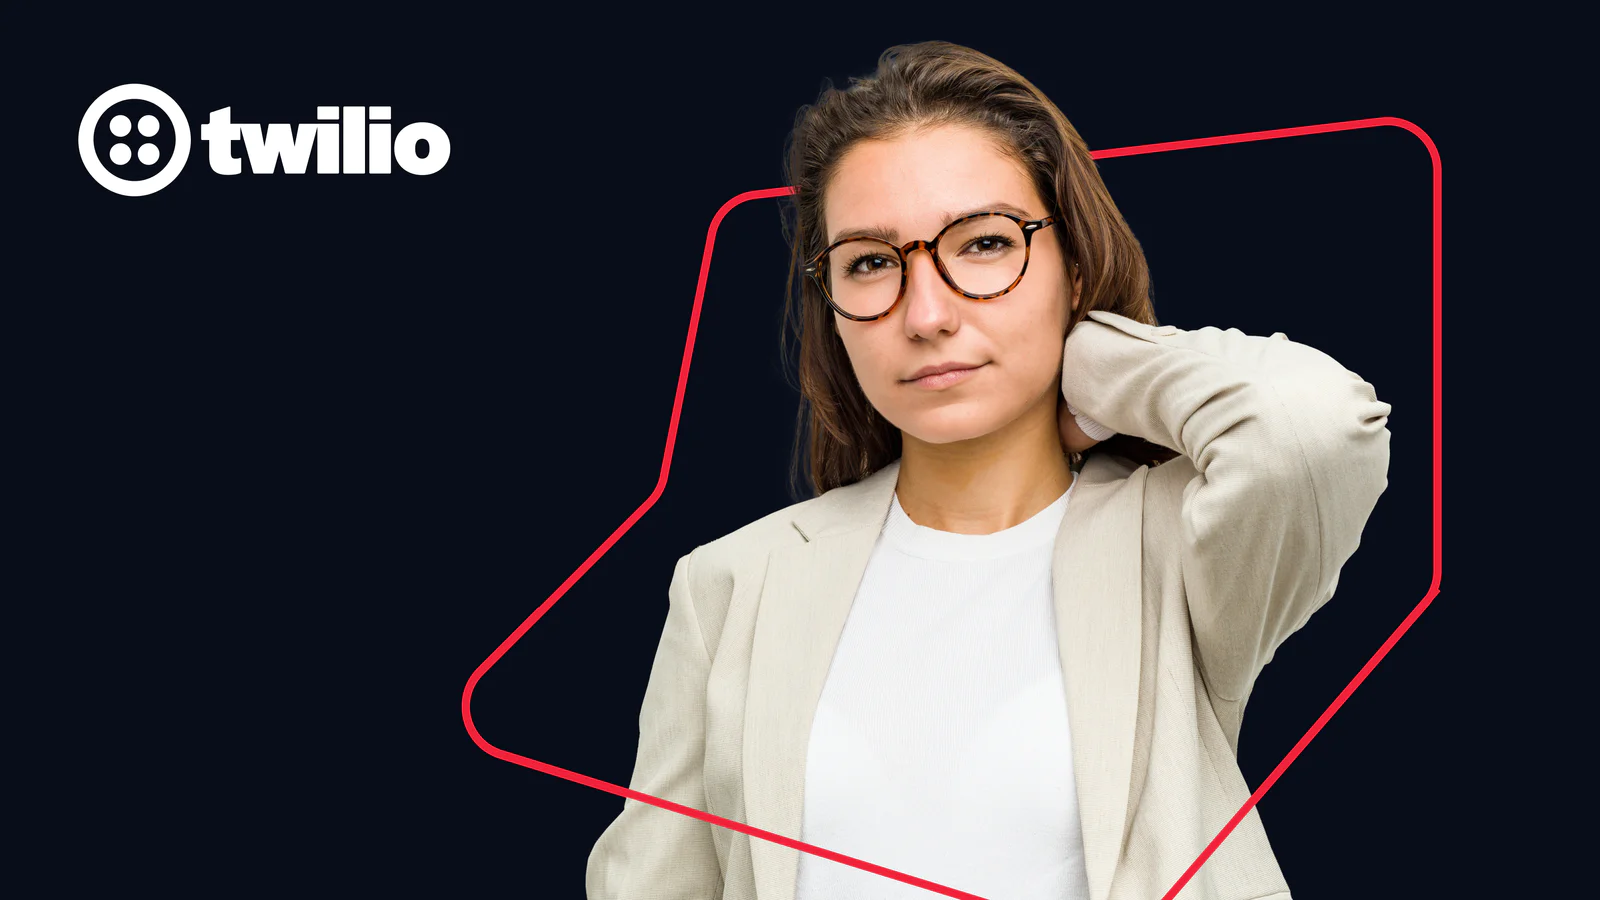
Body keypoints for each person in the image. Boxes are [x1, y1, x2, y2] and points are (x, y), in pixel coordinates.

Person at [586, 40, 1391, 900]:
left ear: (1070, 262)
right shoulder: (732, 585)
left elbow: (1309, 426)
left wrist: (1090, 361)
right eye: (869, 263)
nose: (926, 314)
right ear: (832, 308)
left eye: (983, 245)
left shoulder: (1177, 545)